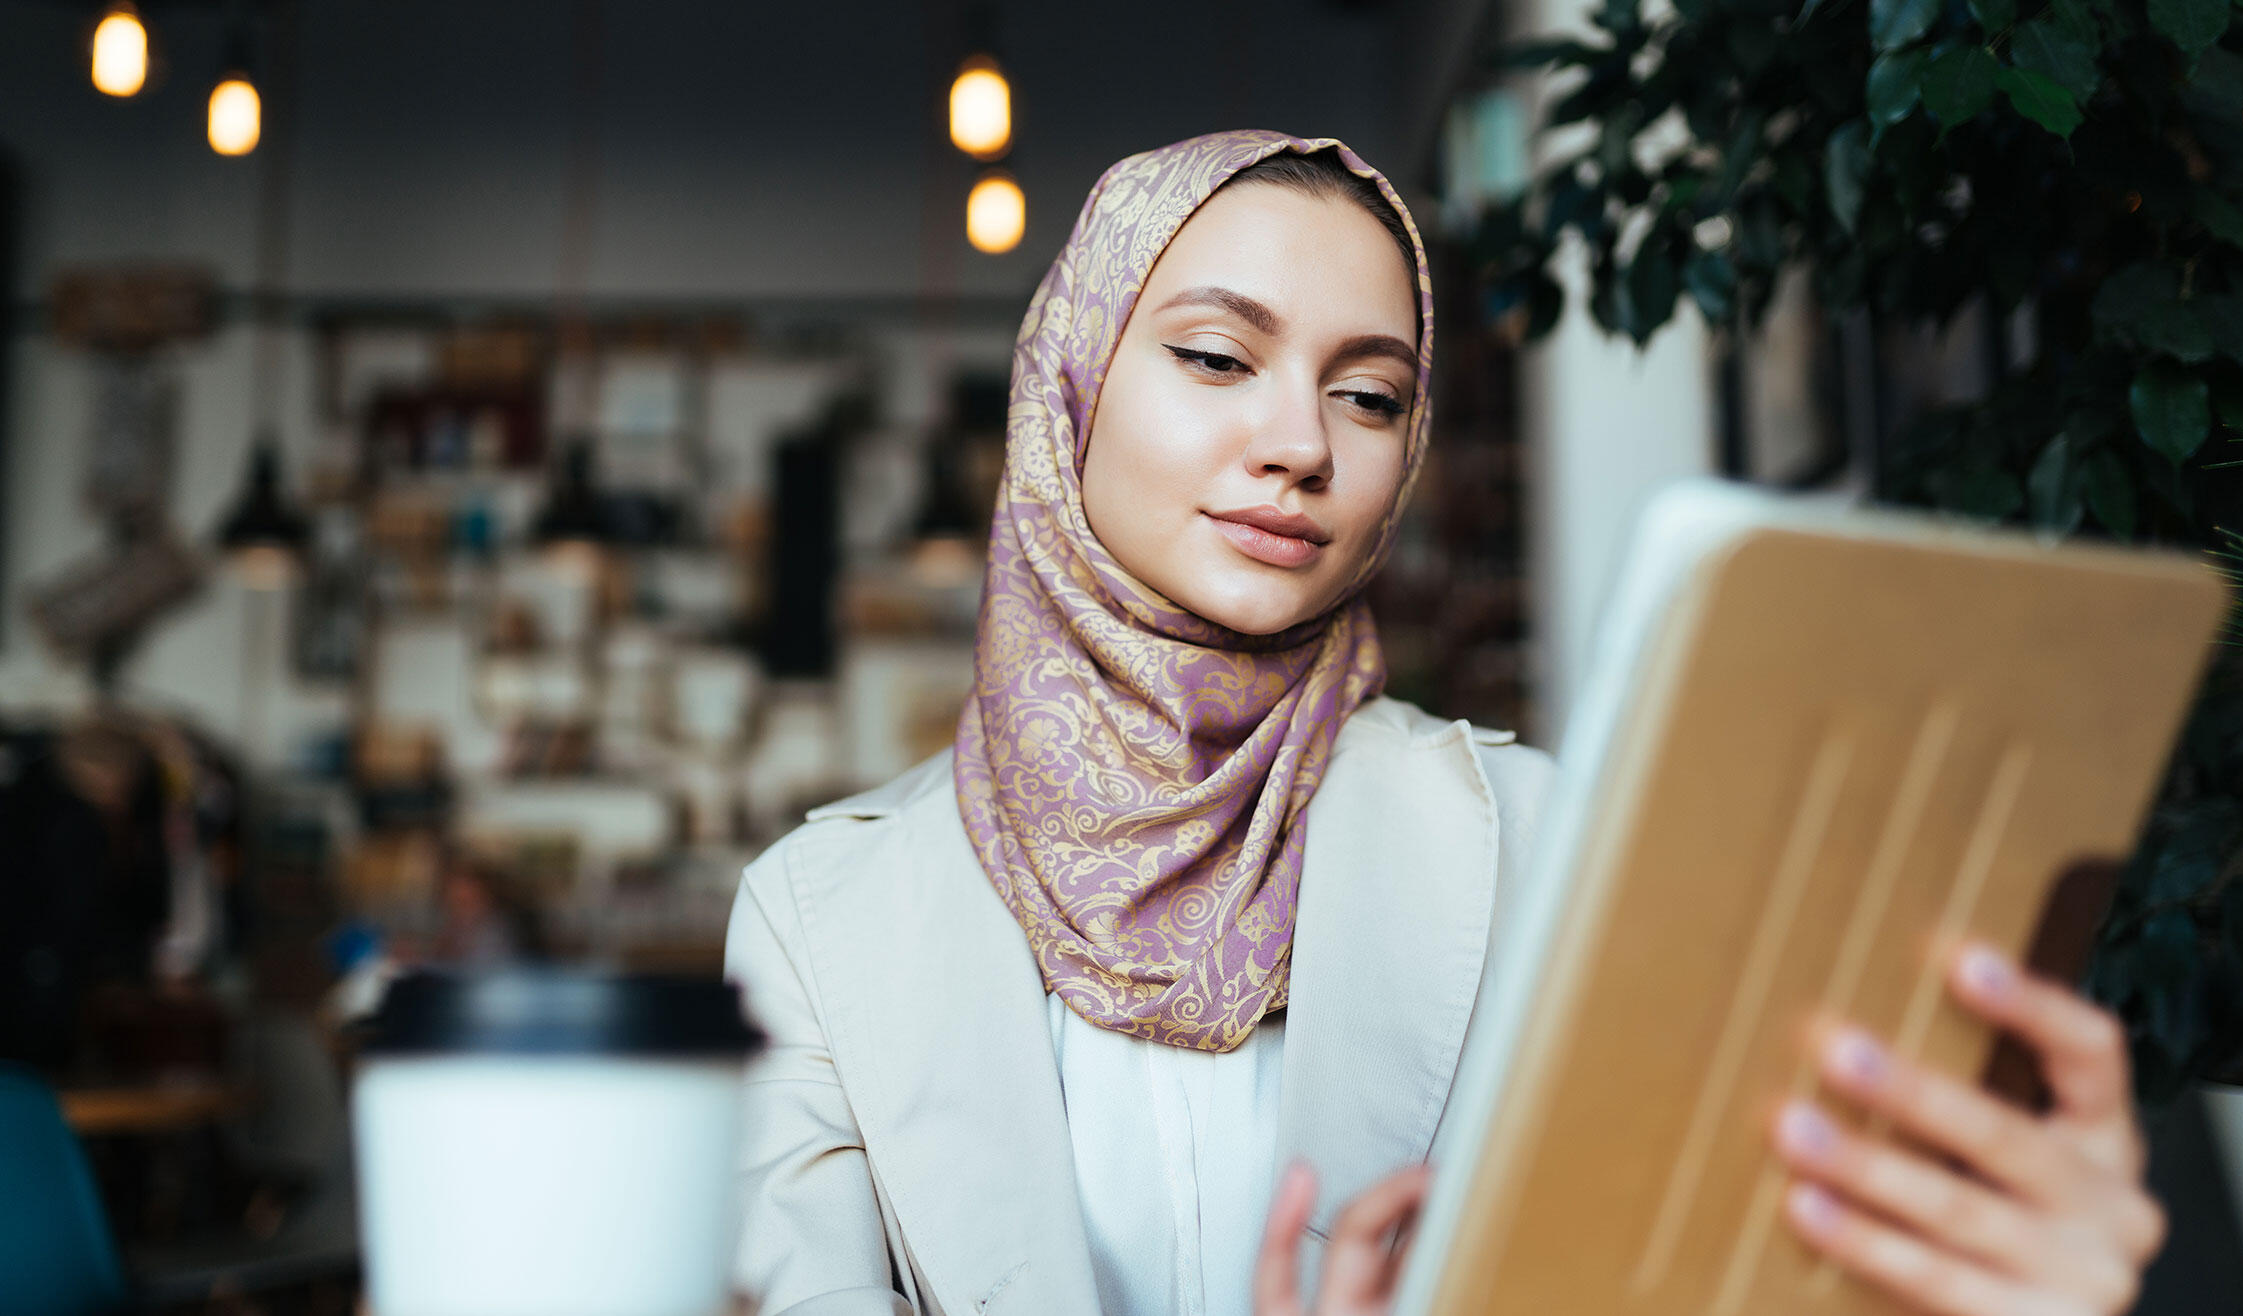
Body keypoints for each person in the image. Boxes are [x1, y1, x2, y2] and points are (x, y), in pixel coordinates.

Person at [723, 130, 2165, 1316]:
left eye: (1369, 393)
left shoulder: (1545, 840)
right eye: (1218, 359)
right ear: (1070, 386)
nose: (1299, 445)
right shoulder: (821, 916)